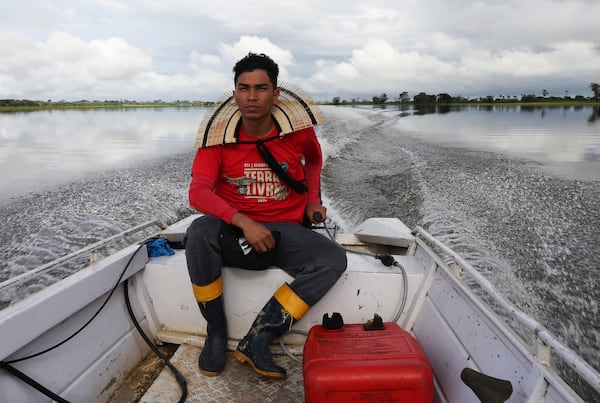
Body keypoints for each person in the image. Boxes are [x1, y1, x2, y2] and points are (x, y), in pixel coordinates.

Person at [184, 52, 347, 379]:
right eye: (244, 88)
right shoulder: (217, 141)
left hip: (286, 229)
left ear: (275, 94)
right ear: (235, 94)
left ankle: (259, 337)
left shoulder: (298, 133)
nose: (251, 97)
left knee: (333, 259)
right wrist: (244, 221)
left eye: (261, 88)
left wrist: (314, 199)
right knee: (199, 230)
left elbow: (314, 161)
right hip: (237, 230)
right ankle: (216, 332)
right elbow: (197, 193)